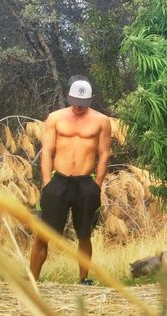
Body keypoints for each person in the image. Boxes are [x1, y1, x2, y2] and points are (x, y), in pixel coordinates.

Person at [29, 75, 111, 284]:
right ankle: (33, 279)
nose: (78, 107)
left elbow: (104, 154)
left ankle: (83, 279)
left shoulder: (101, 121)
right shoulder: (55, 118)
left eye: (82, 104)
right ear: (69, 97)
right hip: (58, 182)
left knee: (84, 235)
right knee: (43, 234)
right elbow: (47, 151)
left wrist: (97, 185)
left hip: (85, 184)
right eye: (75, 102)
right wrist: (47, 182)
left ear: (89, 101)